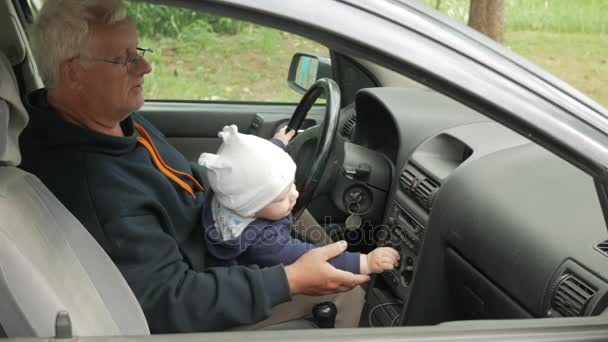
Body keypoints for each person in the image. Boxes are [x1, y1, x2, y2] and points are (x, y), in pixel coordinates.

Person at [19, 0, 369, 333]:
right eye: (123, 59)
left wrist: (264, 167)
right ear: (74, 74)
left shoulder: (113, 124)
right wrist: (290, 280)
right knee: (346, 292)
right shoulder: (93, 184)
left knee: (295, 212)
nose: (145, 67)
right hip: (207, 283)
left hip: (219, 239)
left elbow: (184, 180)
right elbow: (168, 301)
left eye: (137, 53)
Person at [199, 125, 400, 274]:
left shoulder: (231, 191)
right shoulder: (266, 243)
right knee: (353, 298)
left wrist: (278, 143)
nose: (294, 194)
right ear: (252, 208)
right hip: (254, 276)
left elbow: (258, 165)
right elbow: (309, 257)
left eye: (293, 184)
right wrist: (365, 262)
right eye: (280, 199)